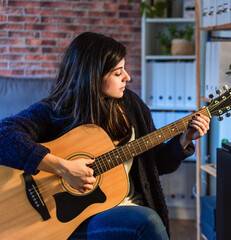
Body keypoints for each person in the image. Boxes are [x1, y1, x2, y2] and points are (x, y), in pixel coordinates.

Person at [0, 32, 210, 239]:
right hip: (79, 219)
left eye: (124, 69)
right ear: (92, 76)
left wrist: (185, 138)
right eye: (118, 73)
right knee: (148, 221)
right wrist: (64, 168)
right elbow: (4, 134)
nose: (127, 77)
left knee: (147, 220)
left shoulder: (132, 105)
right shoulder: (56, 110)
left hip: (132, 206)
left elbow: (156, 165)